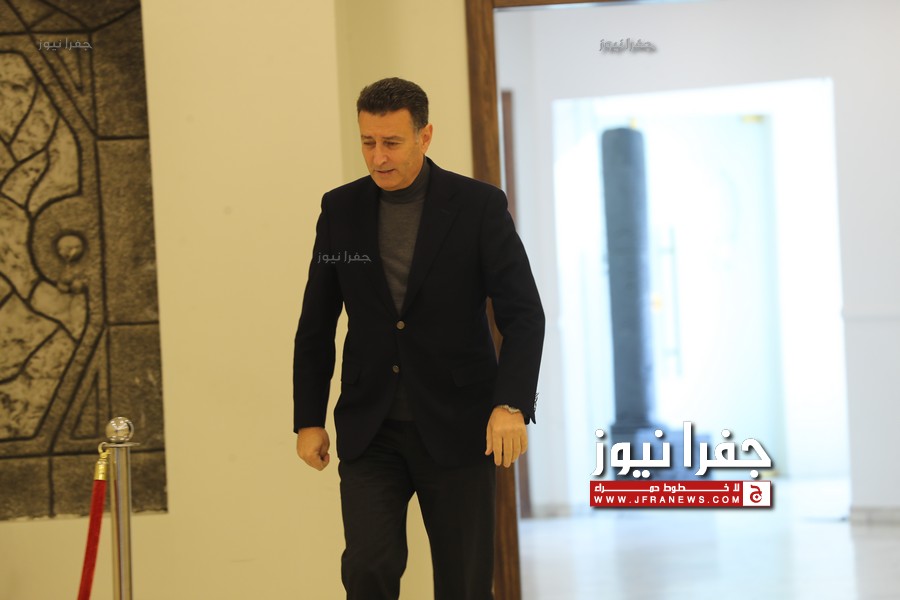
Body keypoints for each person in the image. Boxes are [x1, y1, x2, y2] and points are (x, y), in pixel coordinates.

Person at [293, 77, 544, 600]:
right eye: (367, 142)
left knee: (463, 580)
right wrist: (308, 418)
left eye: (391, 142)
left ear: (425, 136)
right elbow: (317, 321)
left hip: (459, 425)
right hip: (371, 427)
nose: (378, 157)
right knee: (368, 566)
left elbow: (524, 314)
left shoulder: (478, 207)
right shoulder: (340, 210)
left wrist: (511, 404)